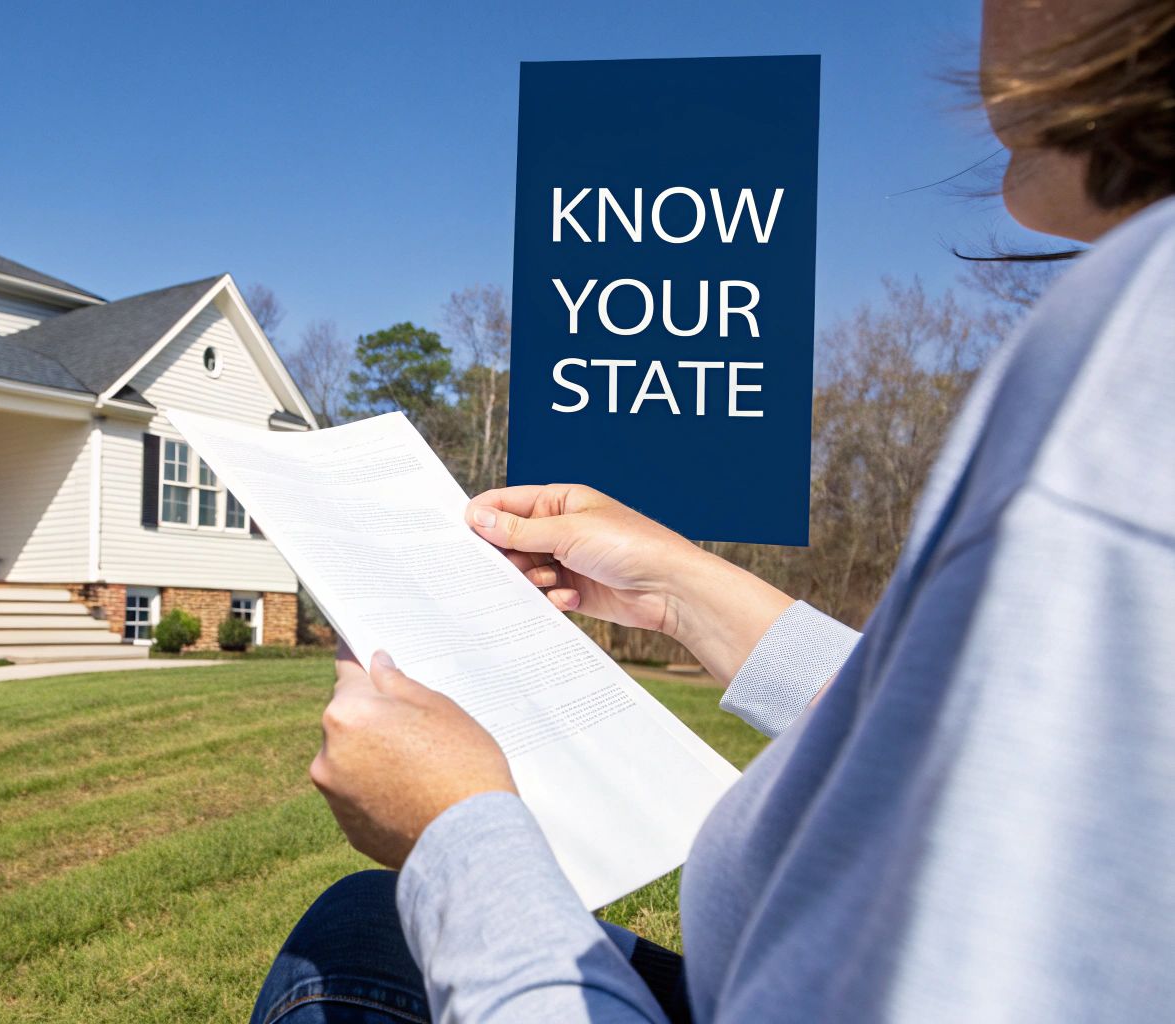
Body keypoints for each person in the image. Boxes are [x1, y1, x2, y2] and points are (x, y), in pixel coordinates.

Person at [252, 0, 1175, 1020]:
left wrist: (455, 830)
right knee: (360, 928)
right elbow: (981, 770)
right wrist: (681, 587)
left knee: (345, 959)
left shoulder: (1133, 363)